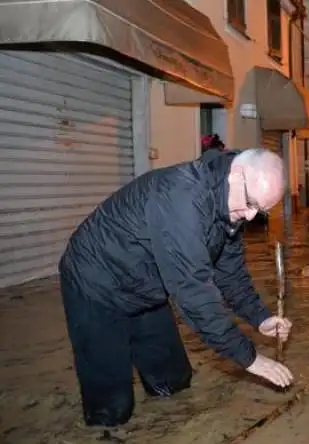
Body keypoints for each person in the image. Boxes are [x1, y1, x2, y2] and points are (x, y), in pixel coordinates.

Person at [58, 148, 294, 428]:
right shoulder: (181, 197)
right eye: (251, 203)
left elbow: (231, 274)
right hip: (96, 284)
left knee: (174, 382)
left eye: (261, 211)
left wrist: (260, 317)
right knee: (112, 412)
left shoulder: (231, 209)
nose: (251, 216)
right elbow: (194, 294)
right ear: (236, 174)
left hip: (145, 287)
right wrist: (250, 358)